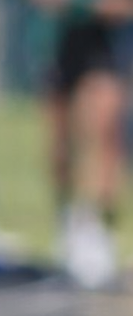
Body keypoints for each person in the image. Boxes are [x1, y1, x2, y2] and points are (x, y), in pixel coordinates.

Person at [31, 0, 133, 287]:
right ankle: (67, 225)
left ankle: (98, 227)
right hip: (58, 45)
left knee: (101, 136)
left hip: (102, 47)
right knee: (60, 146)